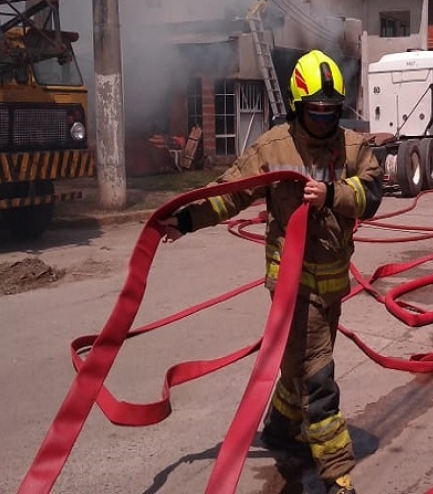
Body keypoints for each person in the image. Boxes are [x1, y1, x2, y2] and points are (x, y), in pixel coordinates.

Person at [159, 49, 382, 494]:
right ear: (299, 107)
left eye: (332, 111)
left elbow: (372, 193)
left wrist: (334, 192)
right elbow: (230, 194)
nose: (324, 120)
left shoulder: (352, 147)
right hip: (292, 285)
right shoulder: (273, 147)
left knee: (298, 365)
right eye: (316, 112)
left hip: (333, 283)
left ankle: (281, 428)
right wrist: (184, 219)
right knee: (319, 380)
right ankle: (337, 474)